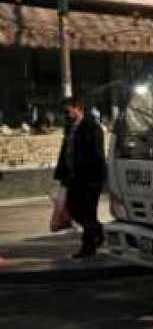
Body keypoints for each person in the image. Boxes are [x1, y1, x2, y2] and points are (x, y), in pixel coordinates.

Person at [54, 97, 106, 259]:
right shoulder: (70, 128)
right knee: (73, 208)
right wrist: (62, 173)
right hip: (72, 177)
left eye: (68, 111)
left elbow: (97, 154)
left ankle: (88, 247)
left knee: (88, 212)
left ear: (78, 108)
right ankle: (97, 231)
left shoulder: (92, 127)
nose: (66, 115)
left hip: (89, 178)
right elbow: (65, 151)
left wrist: (95, 176)